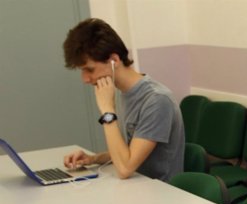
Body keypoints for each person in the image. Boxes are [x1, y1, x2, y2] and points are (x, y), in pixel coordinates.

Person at [62, 18, 184, 182]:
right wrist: (93, 159)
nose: (85, 79)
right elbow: (129, 153)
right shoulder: (127, 93)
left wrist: (107, 111)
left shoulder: (157, 100)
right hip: (138, 187)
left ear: (114, 60)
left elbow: (125, 168)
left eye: (89, 69)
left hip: (162, 195)